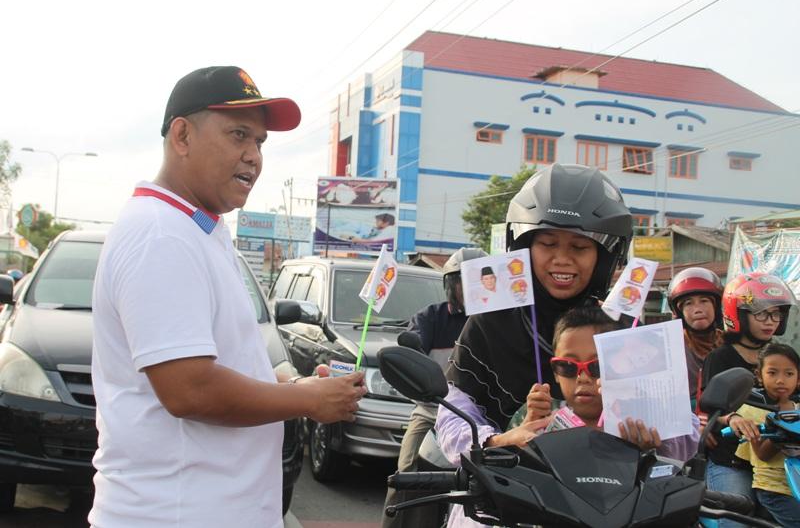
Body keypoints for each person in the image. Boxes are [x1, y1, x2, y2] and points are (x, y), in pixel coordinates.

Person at [90, 66, 367, 528]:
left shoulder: (199, 228)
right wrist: (307, 401)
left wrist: (293, 386)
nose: (253, 156)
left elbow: (214, 366)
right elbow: (189, 389)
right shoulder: (160, 233)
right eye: (238, 134)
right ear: (182, 135)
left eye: (259, 142)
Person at [436, 163, 633, 528]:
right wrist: (499, 441)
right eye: (548, 244)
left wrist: (650, 431)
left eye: (579, 247)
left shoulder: (623, 328)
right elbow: (451, 416)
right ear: (524, 248)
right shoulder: (491, 320)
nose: (562, 258)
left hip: (606, 503)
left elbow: (670, 423)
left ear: (605, 258)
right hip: (499, 495)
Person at [381, 247, 488, 528]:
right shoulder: (432, 317)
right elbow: (415, 342)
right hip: (434, 410)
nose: (470, 287)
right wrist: (413, 348)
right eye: (463, 280)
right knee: (405, 472)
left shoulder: (501, 323)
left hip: (486, 417)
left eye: (477, 279)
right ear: (451, 285)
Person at [701, 271, 796, 528]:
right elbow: (712, 407)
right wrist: (734, 419)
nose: (770, 321)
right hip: (734, 461)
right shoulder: (721, 357)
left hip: (780, 462)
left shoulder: (783, 357)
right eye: (762, 313)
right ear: (738, 314)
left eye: (776, 313)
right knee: (736, 523)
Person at [545, 307, 700, 460]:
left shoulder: (650, 413)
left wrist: (658, 441)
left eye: (597, 366)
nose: (583, 378)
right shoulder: (545, 425)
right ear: (555, 373)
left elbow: (689, 437)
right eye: (567, 365)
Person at [730, 344, 800, 527]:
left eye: (789, 374)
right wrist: (782, 433)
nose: (780, 380)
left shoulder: (798, 410)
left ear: (798, 379)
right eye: (773, 373)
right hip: (773, 489)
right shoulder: (752, 409)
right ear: (759, 376)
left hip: (797, 484)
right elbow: (762, 454)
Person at [667, 267, 724, 410]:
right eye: (688, 303)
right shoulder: (671, 345)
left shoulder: (729, 342)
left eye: (704, 301)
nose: (697, 309)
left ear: (716, 307)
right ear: (680, 312)